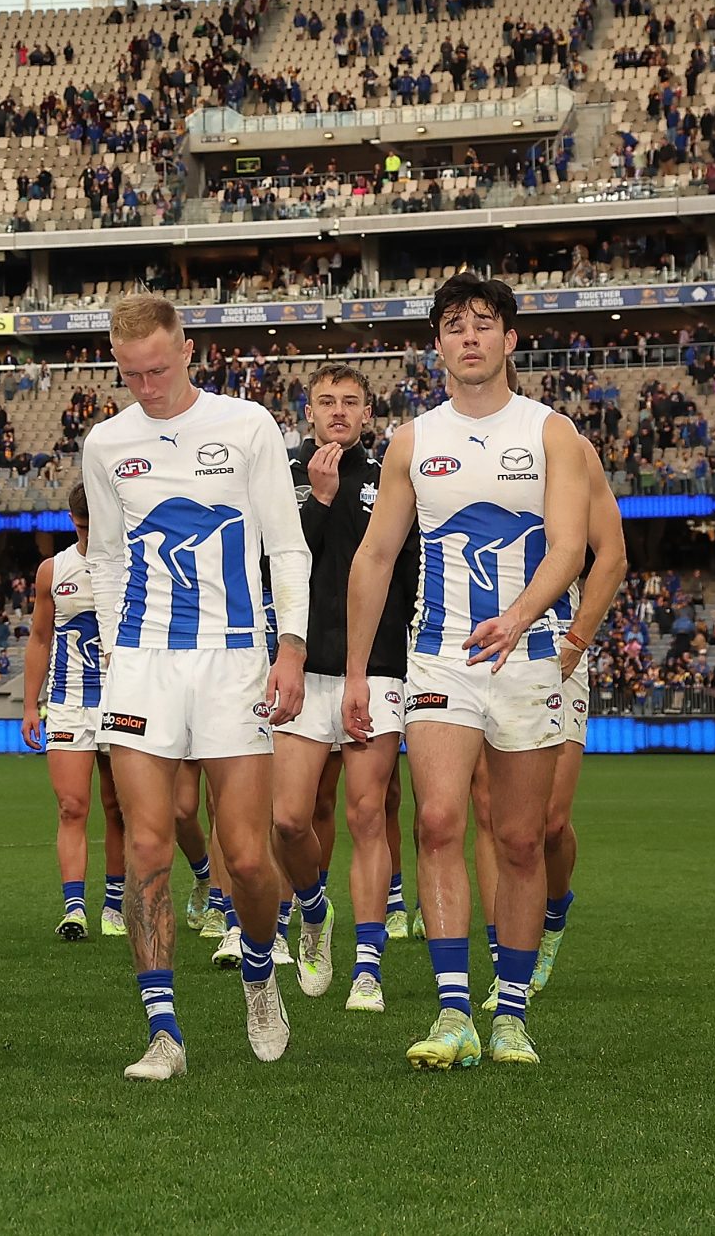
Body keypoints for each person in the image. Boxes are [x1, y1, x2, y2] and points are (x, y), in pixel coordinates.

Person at [344, 274, 588, 1070]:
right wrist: (354, 672)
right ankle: (454, 1013)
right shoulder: (414, 441)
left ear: (511, 339)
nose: (470, 337)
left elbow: (569, 550)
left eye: (485, 324)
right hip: (441, 654)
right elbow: (377, 555)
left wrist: (519, 620)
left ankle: (510, 1013)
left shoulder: (552, 433)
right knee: (439, 821)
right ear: (438, 344)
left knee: (519, 839)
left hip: (531, 655)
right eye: (454, 326)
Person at [81, 293, 311, 1082]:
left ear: (187, 350)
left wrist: (291, 646)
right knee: (147, 843)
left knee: (246, 858)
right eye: (130, 375)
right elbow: (106, 557)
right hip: (144, 661)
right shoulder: (106, 442)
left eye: (156, 369)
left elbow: (287, 546)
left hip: (234, 656)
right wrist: (118, 651)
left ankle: (257, 968)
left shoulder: (246, 426)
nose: (145, 387)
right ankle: (163, 1032)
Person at [470, 426, 624, 1015]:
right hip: (474, 646)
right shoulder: (445, 443)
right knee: (488, 810)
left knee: (550, 822)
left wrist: (578, 641)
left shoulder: (567, 445)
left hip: (553, 646)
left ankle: (553, 913)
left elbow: (610, 553)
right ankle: (504, 956)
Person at [284, 362, 418, 1013]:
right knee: (290, 819)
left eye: (350, 403)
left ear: (368, 413)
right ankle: (315, 912)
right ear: (308, 412)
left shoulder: (393, 479)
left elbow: (403, 574)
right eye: (325, 402)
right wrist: (321, 500)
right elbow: (276, 567)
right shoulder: (285, 479)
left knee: (367, 813)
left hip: (380, 667)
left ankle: (369, 967)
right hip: (301, 670)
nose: (337, 412)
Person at [23, 482, 127, 943]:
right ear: (72, 521)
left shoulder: (129, 564)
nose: (88, 534)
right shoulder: (53, 570)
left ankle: (116, 904)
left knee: (119, 808)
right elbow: (40, 638)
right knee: (71, 806)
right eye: (82, 526)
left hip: (121, 699)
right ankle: (75, 907)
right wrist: (30, 704)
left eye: (95, 525)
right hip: (67, 702)